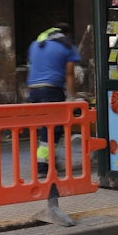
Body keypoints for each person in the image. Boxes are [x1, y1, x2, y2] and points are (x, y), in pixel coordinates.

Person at [27, 22, 81, 173]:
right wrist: (73, 97)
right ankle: (43, 166)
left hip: (33, 90)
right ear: (67, 34)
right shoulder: (67, 45)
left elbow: (35, 67)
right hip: (51, 89)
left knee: (44, 127)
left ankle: (47, 161)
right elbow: (69, 74)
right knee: (53, 129)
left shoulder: (35, 44)